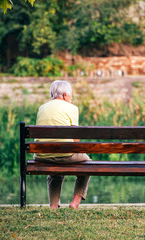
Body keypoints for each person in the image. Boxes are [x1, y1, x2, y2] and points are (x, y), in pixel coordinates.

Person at [34, 80, 91, 209]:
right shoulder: (72, 108)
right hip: (64, 154)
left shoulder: (42, 108)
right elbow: (76, 140)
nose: (72, 99)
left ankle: (54, 206)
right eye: (71, 96)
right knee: (87, 164)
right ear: (65, 95)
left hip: (42, 155)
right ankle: (75, 203)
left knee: (55, 169)